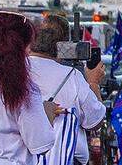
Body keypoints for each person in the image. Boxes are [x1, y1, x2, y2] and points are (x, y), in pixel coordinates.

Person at [0, 11, 62, 165]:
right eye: (29, 46)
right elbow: (40, 145)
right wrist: (47, 113)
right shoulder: (24, 89)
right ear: (21, 50)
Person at [29, 15, 108, 165]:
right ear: (64, 46)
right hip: (67, 158)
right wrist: (93, 83)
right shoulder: (72, 77)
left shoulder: (11, 72)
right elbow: (95, 121)